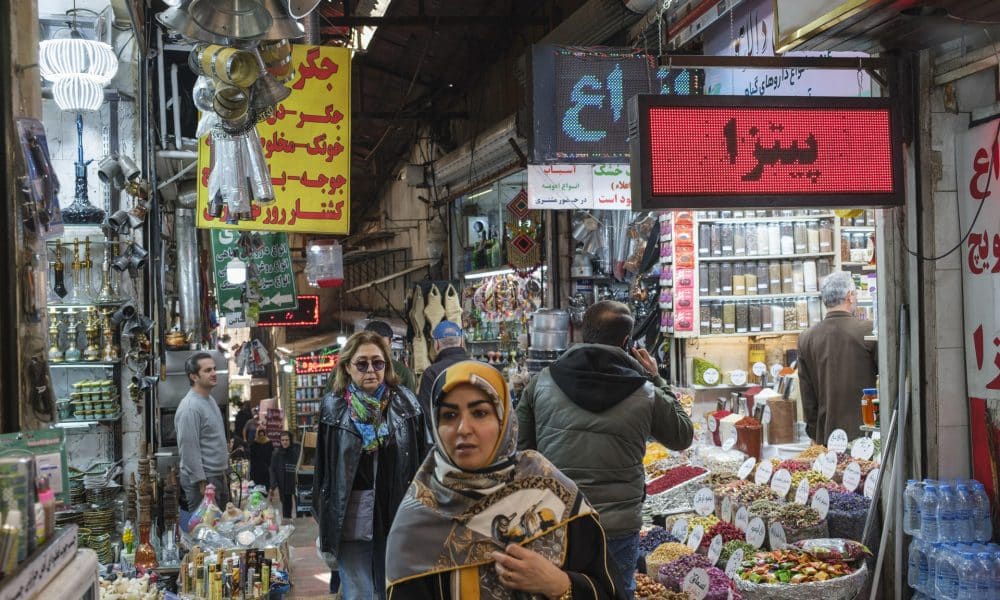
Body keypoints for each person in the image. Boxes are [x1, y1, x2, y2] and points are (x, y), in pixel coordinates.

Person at [386, 361, 627, 600]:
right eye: (449, 415)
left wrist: (560, 584)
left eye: (480, 413)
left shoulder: (551, 491)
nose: (463, 428)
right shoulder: (418, 517)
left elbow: (611, 592)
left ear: (505, 421)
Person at [516, 300, 693, 597]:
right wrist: (654, 376)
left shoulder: (541, 383)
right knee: (616, 592)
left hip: (555, 518)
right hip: (617, 525)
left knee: (558, 593)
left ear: (583, 334)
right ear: (626, 341)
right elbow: (682, 435)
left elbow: (522, 451)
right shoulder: (645, 391)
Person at [313, 331, 428, 600]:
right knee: (358, 593)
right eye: (362, 363)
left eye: (378, 363)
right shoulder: (333, 407)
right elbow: (324, 468)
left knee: (394, 590)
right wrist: (324, 514)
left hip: (395, 512)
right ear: (347, 367)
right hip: (351, 514)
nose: (371, 370)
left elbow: (422, 461)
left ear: (387, 365)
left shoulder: (406, 403)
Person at [797, 271, 878, 442]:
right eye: (855, 294)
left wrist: (815, 432)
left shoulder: (806, 338)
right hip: (865, 436)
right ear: (850, 296)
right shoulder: (868, 331)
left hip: (826, 435)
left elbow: (807, 397)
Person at [176, 352, 231, 513]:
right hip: (204, 480)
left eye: (214, 369)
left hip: (216, 475)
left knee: (221, 527)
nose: (214, 373)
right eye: (207, 370)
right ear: (194, 376)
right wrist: (201, 481)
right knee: (205, 532)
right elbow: (188, 448)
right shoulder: (190, 407)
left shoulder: (209, 400)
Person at [414, 320, 470, 434]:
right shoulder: (478, 367)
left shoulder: (431, 373)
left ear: (437, 344)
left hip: (445, 441)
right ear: (461, 342)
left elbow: (427, 416)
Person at [364, 320, 417, 392]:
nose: (378, 351)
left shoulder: (402, 372)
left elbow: (411, 402)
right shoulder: (354, 368)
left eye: (383, 346)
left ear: (390, 343)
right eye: (373, 346)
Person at [270, 430, 300, 519]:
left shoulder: (296, 450)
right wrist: (272, 485)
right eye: (282, 440)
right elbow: (272, 469)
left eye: (286, 440)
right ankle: (287, 521)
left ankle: (299, 520)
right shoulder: (277, 453)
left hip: (295, 481)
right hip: (283, 482)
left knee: (299, 503)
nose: (284, 442)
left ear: (290, 440)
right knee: (286, 505)